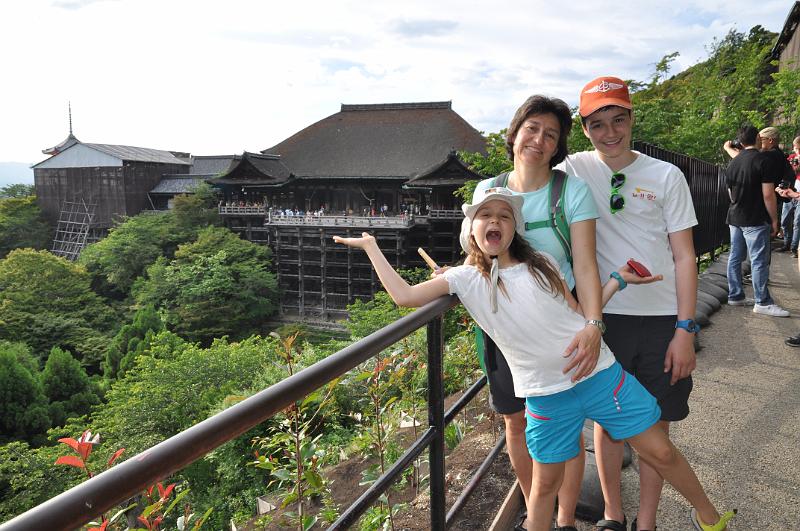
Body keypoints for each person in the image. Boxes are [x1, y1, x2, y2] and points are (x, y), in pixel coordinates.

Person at [332, 187, 736, 531]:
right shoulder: (463, 279)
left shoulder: (541, 263)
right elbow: (404, 297)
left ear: (514, 228)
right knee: (543, 487)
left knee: (660, 452)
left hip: (599, 374)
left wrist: (615, 281)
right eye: (485, 215)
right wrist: (372, 247)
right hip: (545, 395)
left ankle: (710, 518)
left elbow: (580, 314)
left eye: (504, 216)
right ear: (471, 229)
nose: (495, 220)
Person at [557, 76, 700, 531]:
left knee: (656, 422)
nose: (610, 132)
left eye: (619, 120)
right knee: (607, 418)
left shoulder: (666, 175)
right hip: (604, 315)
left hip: (662, 318)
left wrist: (685, 329)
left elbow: (685, 256)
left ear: (632, 118)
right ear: (584, 129)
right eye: (598, 124)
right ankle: (612, 514)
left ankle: (647, 520)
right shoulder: (573, 169)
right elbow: (520, 180)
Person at [470, 95, 603, 530]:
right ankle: (535, 513)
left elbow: (586, 265)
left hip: (557, 328)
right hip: (503, 329)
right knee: (514, 420)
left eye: (551, 134)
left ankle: (564, 519)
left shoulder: (571, 192)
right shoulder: (487, 189)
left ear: (558, 146)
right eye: (532, 129)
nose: (539, 140)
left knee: (566, 425)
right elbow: (476, 256)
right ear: (514, 134)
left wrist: (593, 323)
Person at [722, 125, 790, 317]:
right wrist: (774, 220)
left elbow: (730, 193)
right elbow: (768, 195)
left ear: (741, 141)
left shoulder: (733, 162)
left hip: (735, 216)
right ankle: (762, 302)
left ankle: (735, 295)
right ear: (758, 138)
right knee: (758, 260)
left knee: (735, 256)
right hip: (755, 218)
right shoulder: (763, 161)